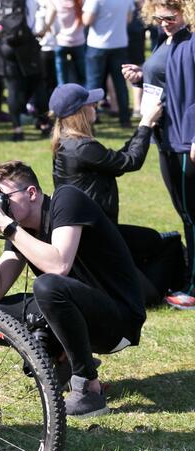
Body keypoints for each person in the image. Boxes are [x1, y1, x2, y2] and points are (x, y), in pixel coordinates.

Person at [0, 160, 146, 418]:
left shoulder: (67, 199)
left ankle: (88, 388)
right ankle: (61, 359)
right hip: (74, 310)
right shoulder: (21, 231)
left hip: (117, 322)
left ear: (31, 193)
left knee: (48, 285)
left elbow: (59, 263)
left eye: (2, 196)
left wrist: (8, 227)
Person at [49, 83, 178, 305]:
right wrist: (146, 124)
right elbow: (130, 161)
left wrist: (143, 128)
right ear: (80, 112)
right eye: (91, 103)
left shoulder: (69, 143)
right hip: (98, 240)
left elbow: (116, 163)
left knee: (162, 242)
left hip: (99, 232)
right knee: (150, 296)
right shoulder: (81, 148)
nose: (95, 106)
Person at [122, 0, 195, 308]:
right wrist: (143, 75)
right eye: (159, 16)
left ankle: (193, 287)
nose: (164, 21)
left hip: (184, 141)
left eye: (170, 15)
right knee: (186, 214)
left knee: (192, 215)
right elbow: (169, 78)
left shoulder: (190, 40)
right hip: (167, 138)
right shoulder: (169, 37)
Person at [0, 0, 47, 141]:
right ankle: (43, 123)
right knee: (37, 83)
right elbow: (49, 8)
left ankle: (17, 129)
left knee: (12, 87)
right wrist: (43, 30)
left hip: (7, 42)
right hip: (27, 43)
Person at [83, 0, 134, 128]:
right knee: (120, 84)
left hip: (97, 45)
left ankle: (90, 121)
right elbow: (128, 19)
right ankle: (125, 119)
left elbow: (87, 20)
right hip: (119, 43)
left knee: (93, 85)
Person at [44, 0, 85, 86]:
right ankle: (84, 97)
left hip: (61, 41)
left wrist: (45, 29)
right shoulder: (81, 1)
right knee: (83, 77)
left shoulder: (55, 2)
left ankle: (63, 96)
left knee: (62, 78)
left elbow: (50, 16)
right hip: (79, 41)